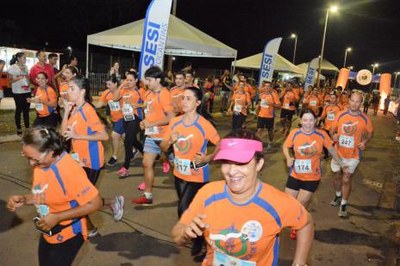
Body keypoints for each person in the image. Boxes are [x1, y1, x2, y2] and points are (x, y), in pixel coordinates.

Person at [172, 130, 314, 265]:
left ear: (259, 164)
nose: (232, 171)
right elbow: (177, 233)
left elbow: (306, 223)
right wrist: (185, 233)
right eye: (226, 163)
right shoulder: (208, 193)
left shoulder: (277, 203)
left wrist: (299, 263)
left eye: (241, 163)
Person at [7, 127, 103, 265]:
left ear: (51, 152)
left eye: (34, 159)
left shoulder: (69, 170)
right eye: (27, 157)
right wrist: (25, 199)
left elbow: (96, 203)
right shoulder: (41, 164)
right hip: (49, 227)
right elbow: (45, 193)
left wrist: (58, 217)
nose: (31, 164)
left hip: (69, 232)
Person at [161, 86, 220, 256]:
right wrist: (169, 142)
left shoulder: (204, 125)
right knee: (191, 211)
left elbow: (220, 144)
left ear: (198, 102)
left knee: (184, 209)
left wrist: (208, 158)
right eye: (182, 98)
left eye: (188, 98)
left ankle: (199, 240)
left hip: (198, 174)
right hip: (179, 174)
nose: (183, 101)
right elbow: (163, 147)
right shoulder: (174, 122)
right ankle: (200, 238)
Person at [60, 77, 124, 234]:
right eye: (68, 88)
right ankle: (110, 204)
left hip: (92, 162)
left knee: (81, 201)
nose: (68, 91)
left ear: (82, 91)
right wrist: (66, 111)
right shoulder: (74, 109)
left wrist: (79, 136)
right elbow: (64, 133)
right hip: (78, 162)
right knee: (80, 199)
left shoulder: (88, 110)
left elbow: (104, 136)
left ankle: (91, 227)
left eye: (72, 88)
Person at [283, 109, 347, 238]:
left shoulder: (321, 134)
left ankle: (300, 225)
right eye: (305, 120)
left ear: (316, 120)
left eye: (311, 120)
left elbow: (331, 150)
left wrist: (341, 163)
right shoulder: (295, 133)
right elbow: (285, 146)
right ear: (301, 121)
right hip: (295, 175)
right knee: (288, 203)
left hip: (312, 177)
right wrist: (288, 158)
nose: (308, 123)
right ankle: (302, 219)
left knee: (300, 204)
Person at [132, 66, 175, 205]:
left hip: (165, 137)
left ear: (158, 79)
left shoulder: (164, 94)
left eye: (149, 80)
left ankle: (190, 188)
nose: (146, 82)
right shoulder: (149, 94)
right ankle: (148, 196)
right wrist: (144, 122)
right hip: (151, 136)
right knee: (146, 163)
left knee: (178, 168)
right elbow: (149, 110)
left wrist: (152, 124)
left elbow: (171, 117)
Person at [330, 90, 374, 217]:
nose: (354, 104)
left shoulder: (365, 118)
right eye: (352, 100)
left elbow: (371, 133)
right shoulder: (340, 115)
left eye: (357, 101)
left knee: (346, 178)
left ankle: (344, 204)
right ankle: (338, 195)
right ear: (349, 101)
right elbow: (332, 130)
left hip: (353, 155)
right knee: (337, 176)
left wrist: (365, 141)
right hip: (338, 153)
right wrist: (334, 135)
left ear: (361, 102)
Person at [116, 71, 145, 177]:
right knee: (132, 140)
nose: (128, 82)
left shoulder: (140, 91)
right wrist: (120, 86)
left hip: (136, 118)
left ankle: (125, 167)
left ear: (136, 80)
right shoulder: (123, 90)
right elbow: (115, 98)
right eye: (127, 80)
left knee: (128, 140)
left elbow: (147, 103)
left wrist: (138, 105)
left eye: (130, 80)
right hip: (125, 118)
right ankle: (145, 153)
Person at [94, 75, 125, 167]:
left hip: (124, 118)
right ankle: (134, 147)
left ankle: (114, 157)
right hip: (114, 119)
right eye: (107, 84)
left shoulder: (122, 91)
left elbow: (116, 98)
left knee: (114, 135)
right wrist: (89, 105)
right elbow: (100, 104)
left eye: (110, 84)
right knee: (124, 137)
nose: (108, 86)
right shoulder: (106, 93)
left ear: (116, 84)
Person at [8, 52, 31, 135]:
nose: (25, 59)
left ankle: (27, 127)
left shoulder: (26, 67)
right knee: (19, 110)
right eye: (24, 58)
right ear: (18, 58)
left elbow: (27, 77)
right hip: (18, 92)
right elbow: (9, 81)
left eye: (25, 58)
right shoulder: (12, 67)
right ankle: (19, 128)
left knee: (26, 110)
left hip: (27, 91)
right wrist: (19, 78)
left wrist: (28, 84)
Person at [256, 81, 281, 149]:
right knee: (259, 130)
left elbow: (279, 105)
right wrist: (257, 111)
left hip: (270, 117)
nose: (267, 87)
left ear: (271, 87)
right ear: (264, 87)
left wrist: (271, 104)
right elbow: (258, 104)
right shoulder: (261, 95)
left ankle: (270, 142)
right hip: (261, 115)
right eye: (265, 86)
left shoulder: (273, 95)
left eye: (268, 86)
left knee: (270, 131)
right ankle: (258, 144)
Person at [318, 92, 342, 159]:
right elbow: (323, 116)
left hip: (335, 129)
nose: (332, 99)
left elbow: (341, 118)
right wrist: (318, 118)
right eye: (331, 97)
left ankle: (334, 155)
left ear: (337, 99)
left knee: (334, 143)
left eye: (334, 97)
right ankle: (326, 155)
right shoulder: (326, 107)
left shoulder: (339, 108)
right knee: (324, 141)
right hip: (326, 127)